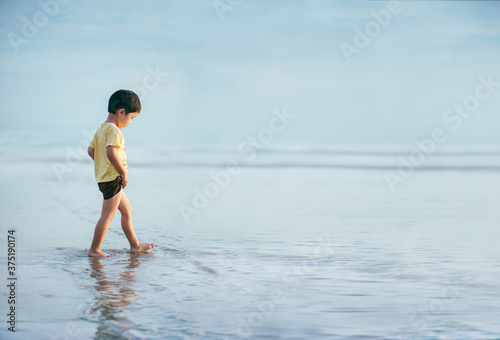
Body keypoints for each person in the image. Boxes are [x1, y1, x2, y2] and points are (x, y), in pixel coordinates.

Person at [87, 89, 155, 257]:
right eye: (131, 118)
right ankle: (94, 250)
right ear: (121, 112)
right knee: (107, 216)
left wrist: (103, 165)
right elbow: (111, 152)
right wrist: (123, 172)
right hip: (113, 178)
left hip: (105, 177)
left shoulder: (101, 130)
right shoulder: (115, 131)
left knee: (127, 211)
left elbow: (90, 151)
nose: (130, 122)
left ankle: (135, 245)